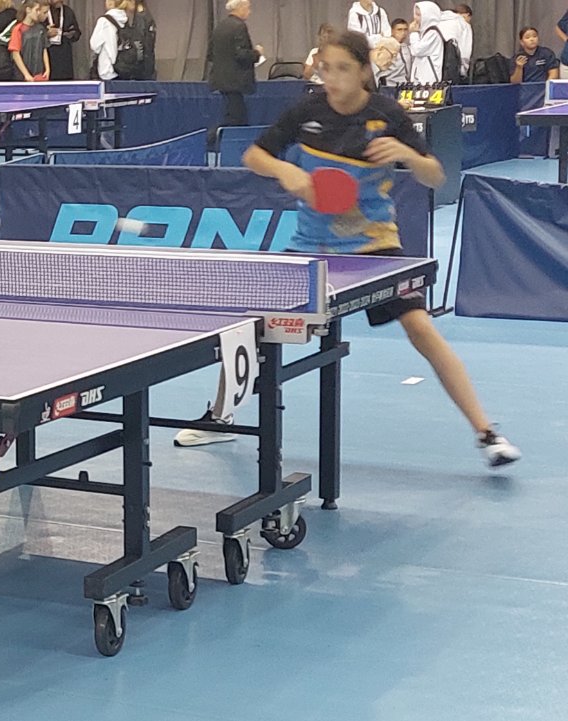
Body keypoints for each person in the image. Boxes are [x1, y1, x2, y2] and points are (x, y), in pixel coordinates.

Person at [209, 29, 521, 468]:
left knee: (421, 328)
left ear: (363, 71)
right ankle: (218, 416)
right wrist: (285, 171)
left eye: (343, 69)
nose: (332, 78)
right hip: (312, 246)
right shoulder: (306, 111)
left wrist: (407, 155)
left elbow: (435, 175)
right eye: (326, 68)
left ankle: (487, 433)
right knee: (252, 326)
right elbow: (254, 156)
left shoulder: (387, 114)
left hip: (374, 247)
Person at [209, 0, 263, 130]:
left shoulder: (219, 27)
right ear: (240, 8)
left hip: (221, 80)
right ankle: (214, 137)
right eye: (248, 8)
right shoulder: (239, 27)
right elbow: (241, 54)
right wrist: (257, 53)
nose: (249, 12)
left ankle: (216, 136)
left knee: (232, 115)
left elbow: (210, 54)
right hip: (235, 81)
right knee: (237, 119)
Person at [406, 2, 460, 84]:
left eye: (419, 15)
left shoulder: (433, 33)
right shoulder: (424, 32)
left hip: (429, 80)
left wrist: (413, 33)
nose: (415, 18)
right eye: (415, 14)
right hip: (421, 79)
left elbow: (417, 50)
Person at [89, 0, 130, 81]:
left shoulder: (104, 21)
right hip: (123, 68)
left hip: (106, 69)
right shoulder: (125, 19)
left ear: (111, 2)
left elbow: (94, 45)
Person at [10, 2, 51, 82]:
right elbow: (15, 54)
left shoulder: (40, 28)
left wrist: (47, 69)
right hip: (22, 76)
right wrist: (26, 74)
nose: (38, 13)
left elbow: (44, 49)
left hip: (39, 74)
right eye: (36, 10)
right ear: (28, 10)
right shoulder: (18, 29)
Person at [45, 0, 83, 80]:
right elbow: (35, 33)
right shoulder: (43, 11)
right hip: (47, 54)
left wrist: (71, 34)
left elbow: (77, 33)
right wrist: (46, 34)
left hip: (64, 55)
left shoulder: (68, 11)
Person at [134, 0, 157, 79]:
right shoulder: (146, 14)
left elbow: (139, 39)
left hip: (143, 62)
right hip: (148, 57)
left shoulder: (140, 16)